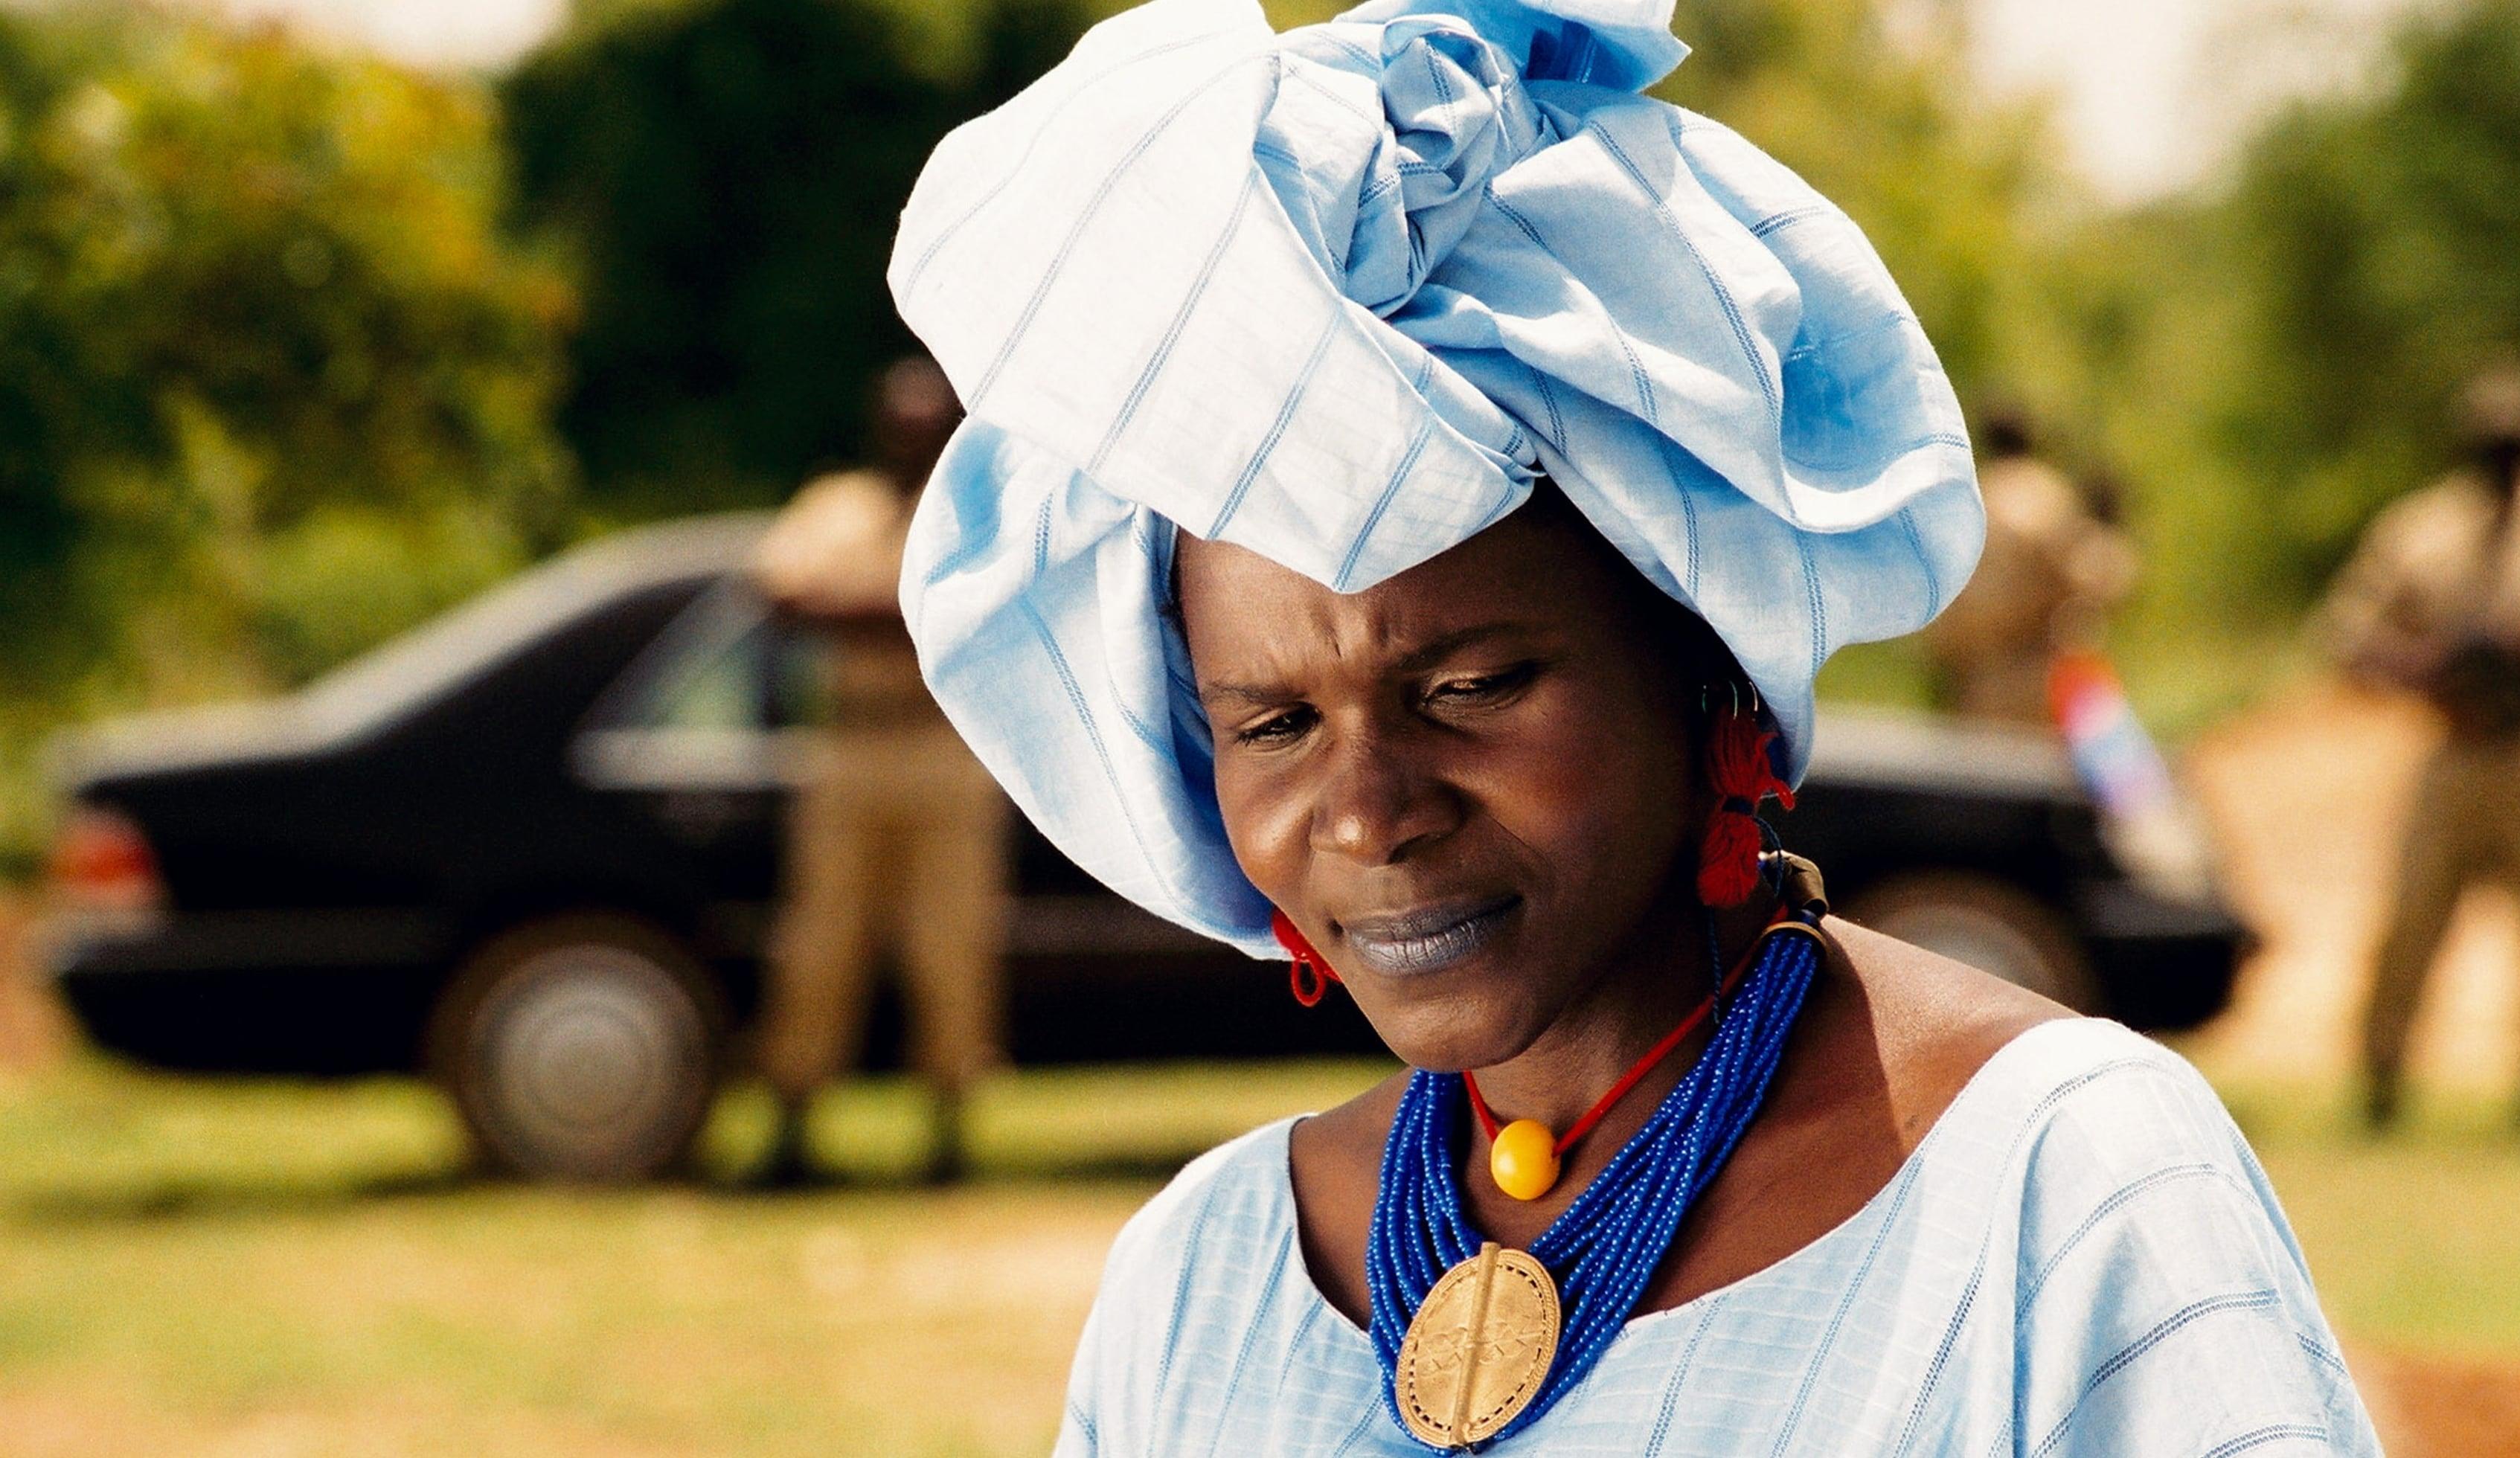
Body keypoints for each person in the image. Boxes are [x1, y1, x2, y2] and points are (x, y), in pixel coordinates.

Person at [892, 0, 2379, 1450]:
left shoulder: (2051, 1188)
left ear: (1705, 663)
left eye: (1466, 688)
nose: (1363, 810)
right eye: (1272, 719)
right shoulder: (1202, 1279)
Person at [745, 358, 1008, 1186]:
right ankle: (792, 1119)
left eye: (927, 427)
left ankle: (949, 1127)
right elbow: (780, 596)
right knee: (820, 939)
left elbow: (985, 609)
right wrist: (909, 608)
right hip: (851, 746)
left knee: (951, 939)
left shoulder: (974, 510)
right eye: (901, 425)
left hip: (946, 745)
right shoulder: (840, 503)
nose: (912, 441)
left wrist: (859, 604)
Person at [2326, 363, 2520, 1132]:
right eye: (2490, 444)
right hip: (2455, 746)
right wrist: (2428, 667)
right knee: (2411, 921)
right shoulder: (2423, 527)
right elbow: (2347, 634)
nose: (2504, 459)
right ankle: (2379, 1081)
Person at [1924, 406, 2138, 723]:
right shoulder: (2045, 497)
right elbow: (2096, 577)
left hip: (1972, 681)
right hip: (2034, 681)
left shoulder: (1964, 498)